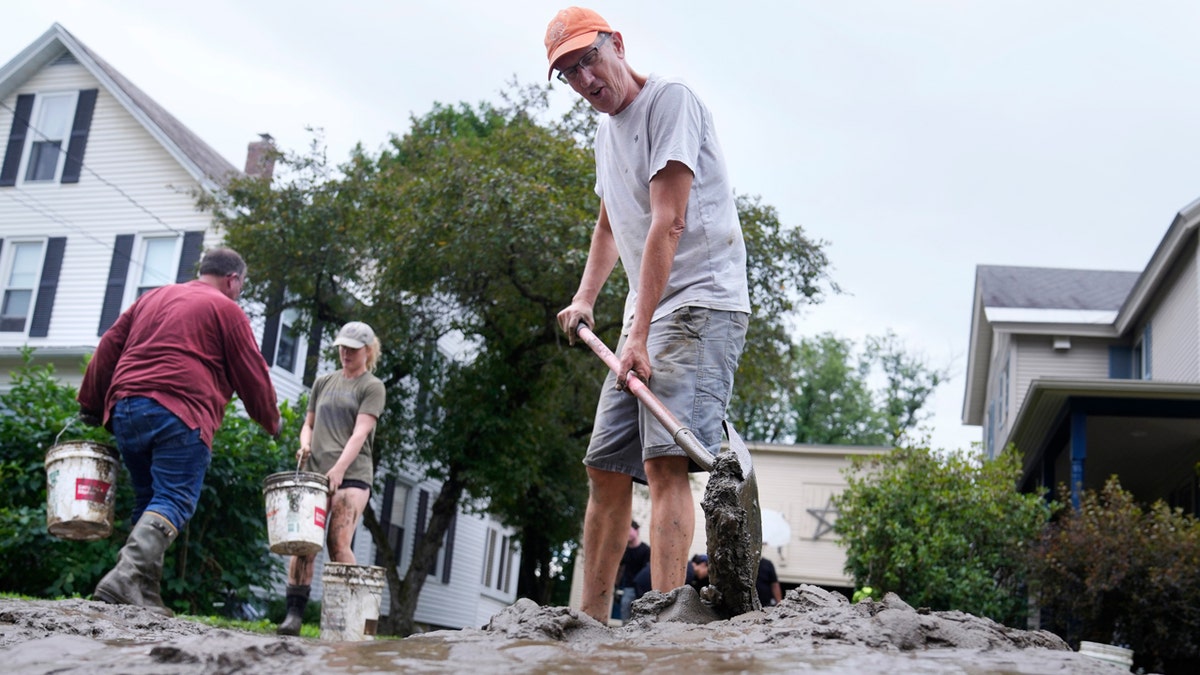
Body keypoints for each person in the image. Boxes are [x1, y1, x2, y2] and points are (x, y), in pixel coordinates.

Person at [547, 6, 751, 623]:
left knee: (665, 463)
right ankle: (590, 623)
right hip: (650, 314)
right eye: (568, 73)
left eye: (588, 59)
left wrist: (634, 335)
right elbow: (611, 222)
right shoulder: (606, 133)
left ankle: (666, 624)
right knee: (604, 467)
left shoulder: (671, 103)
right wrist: (586, 299)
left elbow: (669, 222)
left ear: (617, 45)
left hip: (702, 303)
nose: (584, 80)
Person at [77, 247, 281, 617]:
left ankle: (146, 595)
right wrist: (272, 420)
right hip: (180, 411)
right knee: (175, 498)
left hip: (126, 407)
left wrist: (91, 402)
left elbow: (108, 344)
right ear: (233, 280)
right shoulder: (226, 309)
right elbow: (251, 369)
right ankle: (123, 577)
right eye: (242, 284)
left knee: (148, 502)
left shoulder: (152, 297)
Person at [276, 321, 387, 636]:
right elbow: (307, 424)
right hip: (314, 474)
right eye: (342, 347)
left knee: (338, 542)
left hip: (352, 475)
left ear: (367, 350)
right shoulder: (324, 381)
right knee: (304, 543)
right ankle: (293, 617)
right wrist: (304, 443)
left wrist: (338, 469)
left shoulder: (371, 386)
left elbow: (360, 432)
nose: (345, 353)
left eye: (352, 349)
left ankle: (351, 621)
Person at [616, 521, 650, 620]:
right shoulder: (624, 551)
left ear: (637, 530)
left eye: (628, 530)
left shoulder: (646, 550)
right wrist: (616, 586)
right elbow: (620, 569)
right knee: (626, 616)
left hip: (643, 590)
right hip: (628, 588)